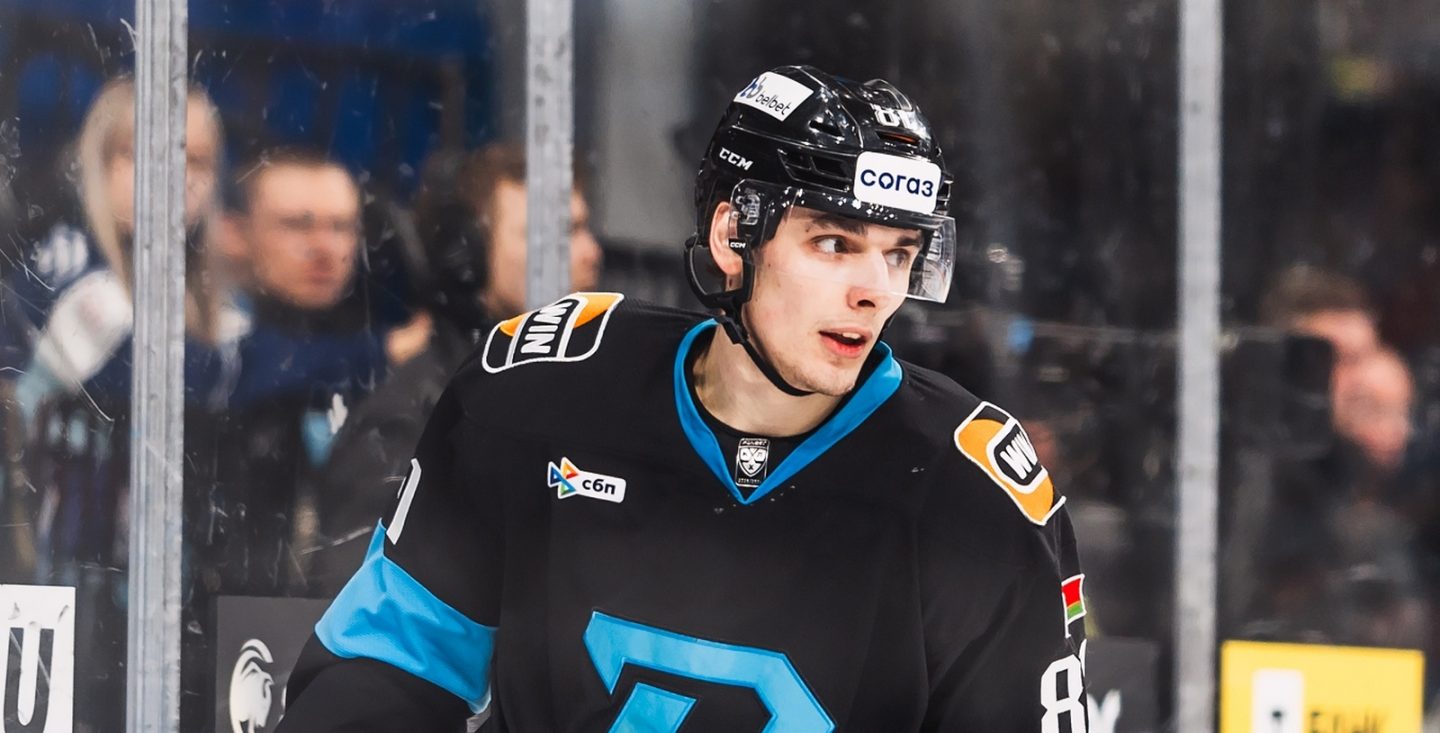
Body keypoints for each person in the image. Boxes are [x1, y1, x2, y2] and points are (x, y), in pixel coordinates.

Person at [279, 65, 1087, 731]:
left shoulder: (973, 495)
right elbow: (390, 666)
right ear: (735, 235)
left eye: (899, 252)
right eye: (834, 243)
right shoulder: (542, 392)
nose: (875, 289)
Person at [0, 75, 233, 732]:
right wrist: (383, 346)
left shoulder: (207, 297)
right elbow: (185, 376)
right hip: (47, 588)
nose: (178, 177)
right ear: (100, 165)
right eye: (147, 153)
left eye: (198, 160)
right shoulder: (63, 268)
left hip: (145, 604)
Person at [307, 142, 601, 594]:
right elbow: (356, 604)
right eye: (559, 234)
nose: (589, 253)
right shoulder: (410, 419)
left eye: (583, 229)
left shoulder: (595, 396)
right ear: (466, 257)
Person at [202, 148, 389, 597]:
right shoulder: (208, 341)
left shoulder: (376, 345)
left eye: (341, 227)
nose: (324, 247)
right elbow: (253, 370)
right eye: (297, 225)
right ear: (235, 233)